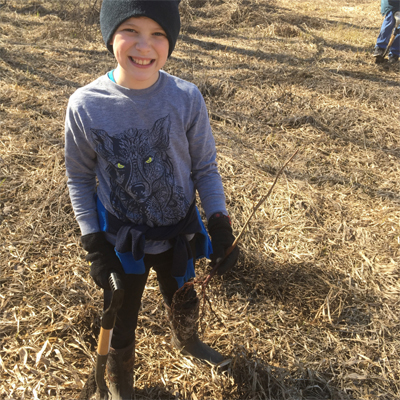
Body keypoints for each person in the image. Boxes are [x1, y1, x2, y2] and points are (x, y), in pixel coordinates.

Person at [64, 0, 239, 398]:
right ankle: (120, 377)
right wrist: (94, 243)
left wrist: (219, 223)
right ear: (110, 35)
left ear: (171, 41)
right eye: (131, 30)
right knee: (121, 315)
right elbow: (79, 177)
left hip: (180, 233)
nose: (145, 46)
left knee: (184, 296)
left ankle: (188, 340)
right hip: (124, 242)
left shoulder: (186, 98)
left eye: (158, 33)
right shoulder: (86, 105)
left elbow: (205, 169)